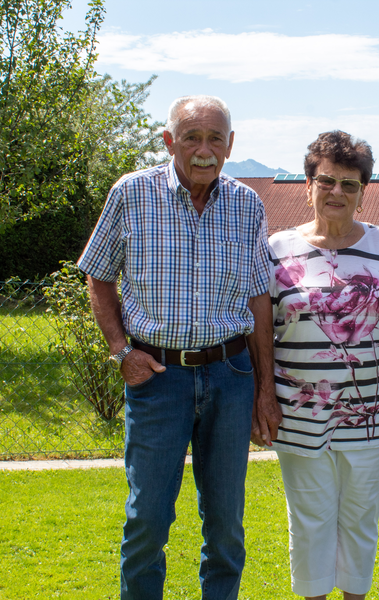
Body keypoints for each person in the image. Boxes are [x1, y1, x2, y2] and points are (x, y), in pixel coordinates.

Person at [77, 94, 281, 600]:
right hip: (157, 378)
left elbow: (259, 297)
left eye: (216, 138)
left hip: (231, 376)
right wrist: (121, 351)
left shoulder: (247, 204)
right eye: (192, 137)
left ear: (231, 145)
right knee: (146, 520)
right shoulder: (132, 193)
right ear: (169, 141)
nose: (204, 149)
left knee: (226, 526)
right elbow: (98, 276)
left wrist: (265, 389)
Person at [266, 130, 379, 600]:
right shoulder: (277, 249)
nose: (336, 192)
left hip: (370, 410)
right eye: (326, 181)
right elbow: (262, 331)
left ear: (363, 191)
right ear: (308, 185)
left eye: (349, 184)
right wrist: (261, 397)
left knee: (360, 516)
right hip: (298, 412)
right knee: (310, 519)